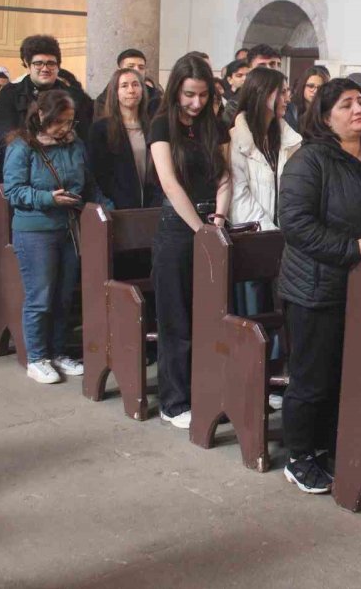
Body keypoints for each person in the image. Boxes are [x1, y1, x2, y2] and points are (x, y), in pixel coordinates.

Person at [277, 78, 361, 493]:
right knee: (312, 376)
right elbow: (295, 223)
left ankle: (329, 447)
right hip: (316, 287)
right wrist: (352, 247)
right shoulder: (309, 160)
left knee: (346, 373)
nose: (359, 110)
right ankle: (298, 456)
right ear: (326, 116)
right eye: (347, 104)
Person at [4, 90, 111, 384]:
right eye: (60, 122)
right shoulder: (22, 147)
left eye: (70, 121)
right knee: (41, 297)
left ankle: (59, 352)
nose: (66, 128)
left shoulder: (74, 144)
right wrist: (49, 198)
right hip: (35, 230)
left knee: (64, 296)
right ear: (41, 117)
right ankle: (37, 357)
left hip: (68, 228)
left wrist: (108, 209)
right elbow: (13, 192)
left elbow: (88, 183)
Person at [149, 54, 231, 430]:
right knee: (177, 317)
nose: (196, 103)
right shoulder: (161, 125)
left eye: (202, 95)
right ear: (176, 90)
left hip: (211, 225)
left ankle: (208, 391)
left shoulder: (216, 125)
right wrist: (199, 229)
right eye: (189, 95)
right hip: (177, 228)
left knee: (211, 315)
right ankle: (174, 400)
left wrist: (219, 218)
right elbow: (170, 183)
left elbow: (225, 177)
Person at [229, 66, 303, 229]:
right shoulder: (235, 139)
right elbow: (239, 197)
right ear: (262, 93)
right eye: (282, 92)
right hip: (253, 234)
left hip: (286, 234)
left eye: (287, 92)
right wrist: (269, 231)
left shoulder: (290, 141)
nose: (288, 99)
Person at [0, 35, 95, 147]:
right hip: (23, 160)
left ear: (58, 66)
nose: (45, 69)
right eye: (38, 63)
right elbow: (4, 137)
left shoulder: (74, 96)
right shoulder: (10, 94)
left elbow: (85, 138)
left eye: (51, 63)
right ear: (27, 63)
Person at [86, 68, 156, 209]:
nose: (131, 90)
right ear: (115, 93)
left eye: (136, 85)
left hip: (151, 206)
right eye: (124, 86)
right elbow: (97, 175)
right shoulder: (101, 129)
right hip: (118, 207)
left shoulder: (153, 126)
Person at [94, 49, 161, 118]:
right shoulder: (104, 100)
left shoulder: (155, 96)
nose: (137, 70)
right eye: (130, 66)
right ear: (119, 71)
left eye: (141, 67)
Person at [285, 66, 329, 134]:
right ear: (303, 86)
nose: (315, 91)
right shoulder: (290, 109)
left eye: (320, 87)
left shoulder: (328, 111)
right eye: (311, 86)